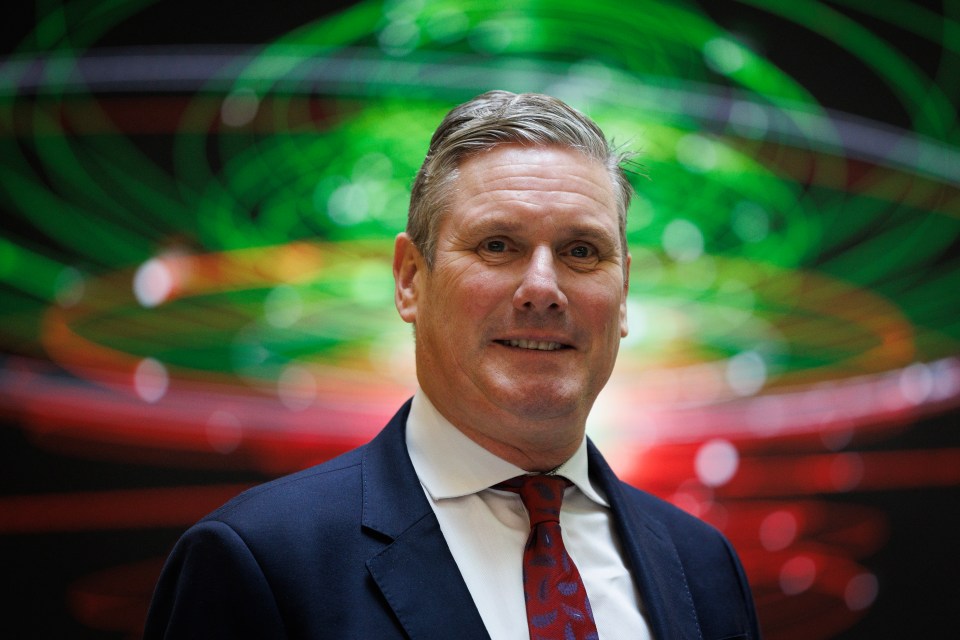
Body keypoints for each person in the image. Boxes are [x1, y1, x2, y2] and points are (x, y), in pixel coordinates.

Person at [144, 91, 761, 640]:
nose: (543, 288)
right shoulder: (261, 559)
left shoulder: (703, 566)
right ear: (410, 280)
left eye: (581, 251)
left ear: (623, 293)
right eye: (498, 245)